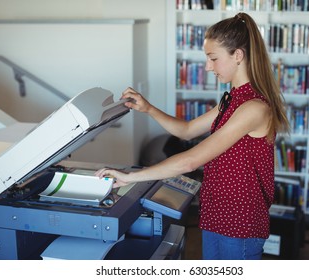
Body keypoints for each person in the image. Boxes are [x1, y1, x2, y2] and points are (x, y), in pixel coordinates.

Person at [95, 12, 290, 260]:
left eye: (213, 58)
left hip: (240, 225)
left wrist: (131, 177)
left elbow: (190, 161)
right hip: (216, 216)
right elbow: (186, 130)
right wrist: (149, 108)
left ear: (238, 56)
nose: (208, 67)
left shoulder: (253, 108)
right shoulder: (231, 101)